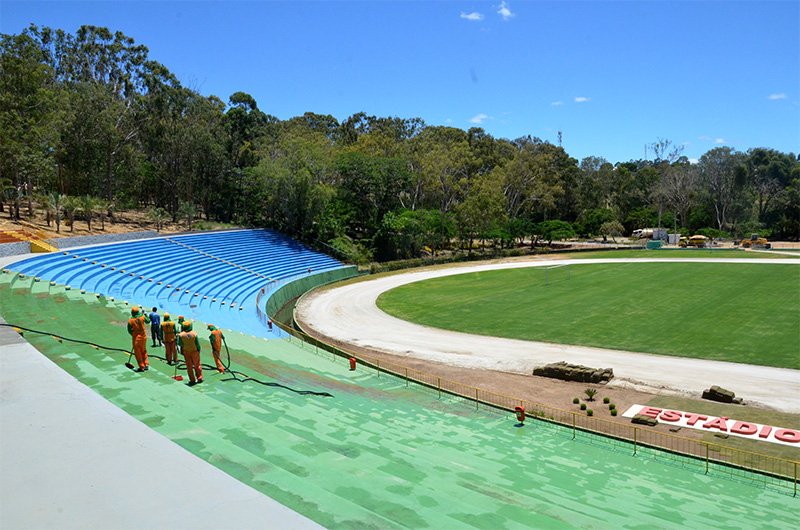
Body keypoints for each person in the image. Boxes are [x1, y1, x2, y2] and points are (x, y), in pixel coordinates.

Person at [177, 320, 203, 386]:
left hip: (186, 352)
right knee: (197, 365)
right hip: (194, 351)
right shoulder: (194, 334)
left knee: (189, 367)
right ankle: (199, 378)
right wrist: (198, 351)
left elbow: (180, 344)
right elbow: (197, 344)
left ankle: (192, 380)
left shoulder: (181, 335)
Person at [127, 306, 150, 372]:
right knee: (144, 350)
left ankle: (141, 367)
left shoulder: (131, 320)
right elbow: (148, 321)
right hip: (144, 337)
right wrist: (145, 314)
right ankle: (146, 364)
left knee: (138, 353)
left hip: (136, 339)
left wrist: (133, 334)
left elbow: (129, 330)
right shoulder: (142, 317)